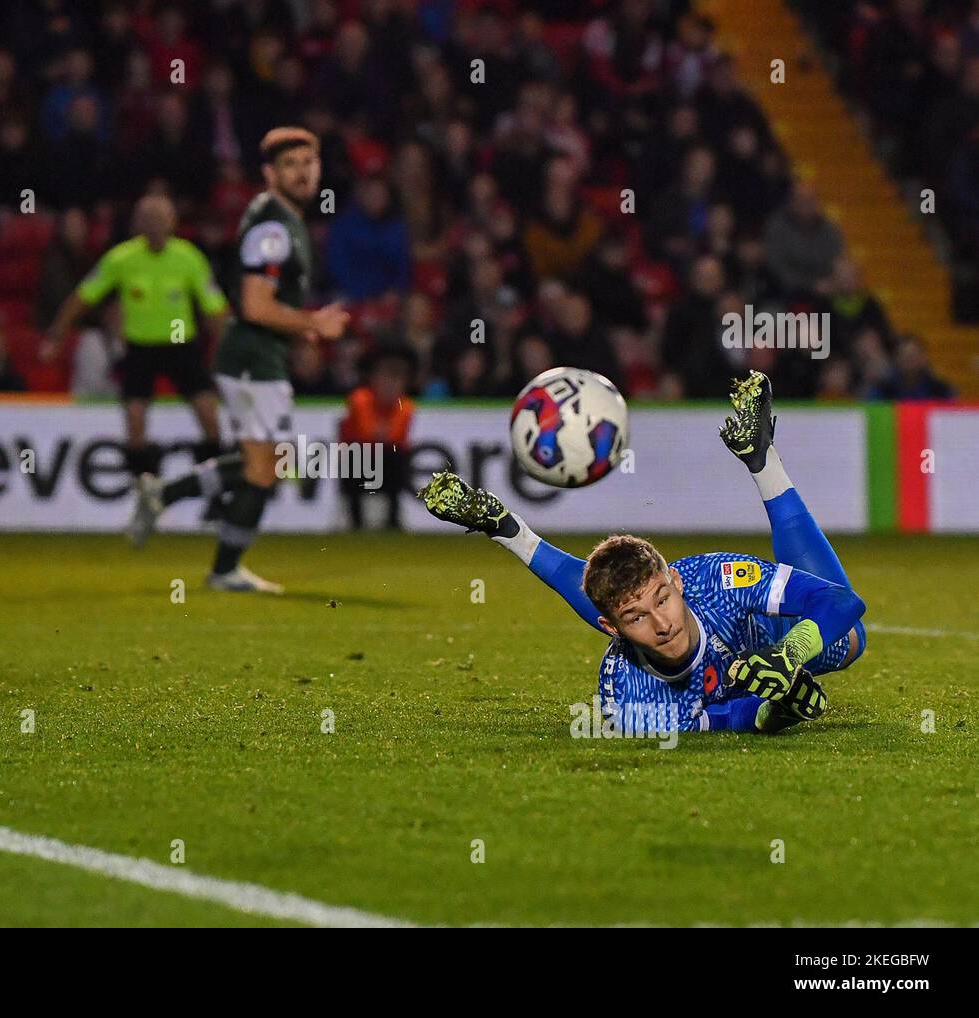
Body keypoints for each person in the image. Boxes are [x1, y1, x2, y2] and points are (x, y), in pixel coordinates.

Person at [418, 371, 868, 734]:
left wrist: (788, 654)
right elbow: (728, 719)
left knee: (850, 642)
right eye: (636, 618)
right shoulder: (628, 700)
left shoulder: (715, 580)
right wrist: (778, 711)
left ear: (677, 582)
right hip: (736, 678)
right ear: (610, 630)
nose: (662, 623)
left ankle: (761, 460)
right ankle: (507, 529)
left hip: (776, 634)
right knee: (612, 593)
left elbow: (842, 603)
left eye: (663, 599)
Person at [128, 126, 350, 593]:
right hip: (251, 358)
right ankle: (224, 569)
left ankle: (166, 495)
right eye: (290, 165)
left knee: (260, 461)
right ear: (270, 174)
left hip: (256, 356)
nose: (303, 172)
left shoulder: (280, 218)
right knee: (263, 468)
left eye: (309, 163)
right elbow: (255, 305)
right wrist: (312, 324)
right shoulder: (273, 229)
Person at [41, 194, 229, 481]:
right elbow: (84, 296)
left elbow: (215, 308)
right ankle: (144, 487)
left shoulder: (188, 258)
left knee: (208, 414)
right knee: (134, 419)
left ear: (172, 222)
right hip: (140, 348)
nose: (154, 226)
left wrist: (229, 348)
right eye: (148, 220)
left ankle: (214, 484)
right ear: (137, 224)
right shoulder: (122, 259)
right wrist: (57, 333)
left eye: (160, 219)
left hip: (181, 346)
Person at [338, 347, 415, 529]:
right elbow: (366, 433)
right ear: (373, 380)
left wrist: (379, 433)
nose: (389, 386)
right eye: (385, 379)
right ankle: (356, 521)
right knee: (354, 455)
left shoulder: (406, 405)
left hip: (387, 461)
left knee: (396, 456)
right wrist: (380, 433)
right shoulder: (360, 399)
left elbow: (394, 437)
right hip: (360, 459)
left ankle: (392, 520)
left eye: (395, 381)